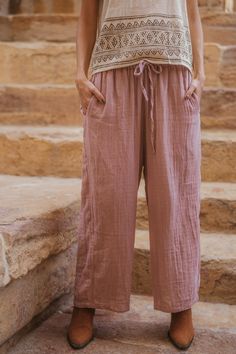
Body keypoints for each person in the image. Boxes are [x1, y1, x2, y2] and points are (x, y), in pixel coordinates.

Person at [67, 0, 205, 351]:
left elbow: (192, 11)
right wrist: (79, 76)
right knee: (106, 197)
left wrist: (199, 73)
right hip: (111, 76)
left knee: (176, 197)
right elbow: (87, 13)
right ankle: (87, 301)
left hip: (174, 76)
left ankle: (180, 304)